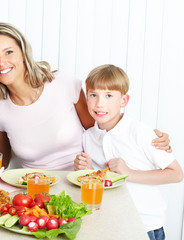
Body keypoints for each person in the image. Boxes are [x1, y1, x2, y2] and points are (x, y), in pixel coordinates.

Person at [0, 23, 171, 170]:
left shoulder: (63, 83)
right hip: (34, 194)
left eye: (9, 52)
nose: (2, 62)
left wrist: (146, 138)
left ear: (23, 53)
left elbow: (101, 127)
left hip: (84, 184)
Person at [74, 64, 183, 239]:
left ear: (124, 101)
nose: (100, 103)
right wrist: (87, 172)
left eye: (109, 95)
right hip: (111, 224)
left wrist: (129, 173)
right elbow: (103, 181)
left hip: (144, 226)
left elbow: (176, 174)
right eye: (93, 95)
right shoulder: (88, 137)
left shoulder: (140, 132)